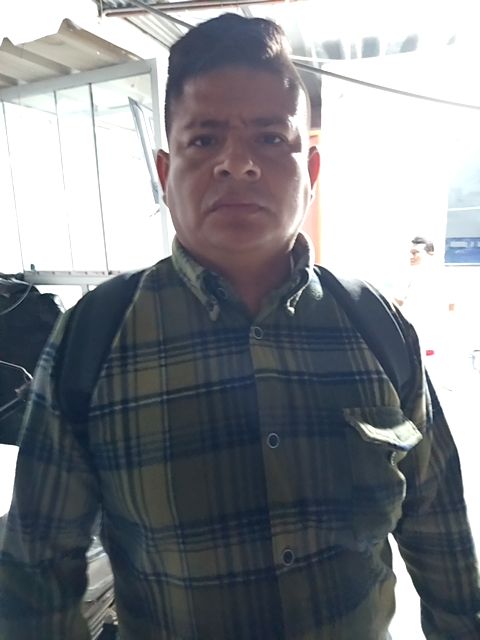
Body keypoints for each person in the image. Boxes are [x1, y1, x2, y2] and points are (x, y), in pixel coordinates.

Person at [1, 13, 479, 640]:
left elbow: (439, 526)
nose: (237, 164)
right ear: (164, 173)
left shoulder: (376, 325)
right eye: (204, 140)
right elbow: (36, 573)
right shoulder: (92, 338)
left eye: (270, 138)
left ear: (310, 173)